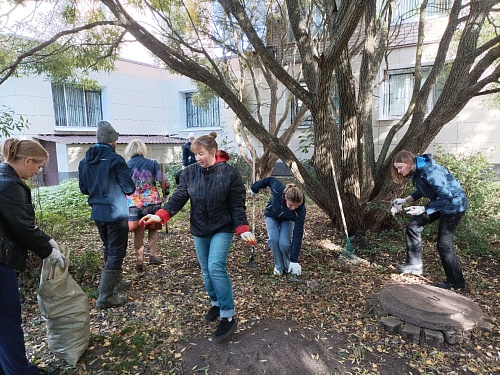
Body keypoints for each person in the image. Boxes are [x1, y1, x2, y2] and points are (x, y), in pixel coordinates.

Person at [140, 132, 256, 341]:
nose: (197, 158)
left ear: (213, 152)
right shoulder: (189, 174)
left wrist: (242, 228)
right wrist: (159, 216)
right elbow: (177, 198)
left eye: (201, 154)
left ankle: (228, 316)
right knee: (205, 270)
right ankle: (216, 303)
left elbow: (237, 205)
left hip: (223, 226)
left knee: (215, 266)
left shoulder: (230, 174)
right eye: (195, 154)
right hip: (199, 228)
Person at [0, 138, 65, 375]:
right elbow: (23, 227)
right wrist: (49, 251)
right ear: (27, 161)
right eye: (38, 167)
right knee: (8, 322)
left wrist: (46, 239)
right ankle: (19, 371)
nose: (38, 172)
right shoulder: (9, 185)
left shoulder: (2, 177)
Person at [391, 150, 468, 291]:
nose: (399, 171)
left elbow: (447, 197)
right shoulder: (416, 171)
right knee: (413, 227)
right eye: (397, 168)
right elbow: (422, 190)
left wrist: (423, 208)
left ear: (408, 163)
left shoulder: (431, 172)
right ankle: (414, 265)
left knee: (444, 245)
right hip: (438, 203)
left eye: (400, 167)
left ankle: (457, 283)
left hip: (454, 206)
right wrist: (404, 200)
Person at [78, 121, 136, 308]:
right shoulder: (116, 159)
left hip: (97, 211)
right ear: (113, 140)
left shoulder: (85, 161)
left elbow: (84, 189)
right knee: (117, 251)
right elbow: (129, 187)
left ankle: (114, 284)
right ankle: (106, 297)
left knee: (108, 248)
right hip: (116, 212)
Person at [124, 139, 167, 273]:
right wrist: (166, 193)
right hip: (153, 201)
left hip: (134, 203)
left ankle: (139, 262)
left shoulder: (126, 165)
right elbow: (163, 181)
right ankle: (153, 256)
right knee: (153, 229)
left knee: (138, 232)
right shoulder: (153, 163)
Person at [250, 177, 306, 276]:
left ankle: (289, 265)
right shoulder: (279, 189)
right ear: (285, 198)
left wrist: (295, 260)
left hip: (288, 220)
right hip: (272, 215)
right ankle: (279, 266)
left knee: (284, 243)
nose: (293, 208)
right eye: (291, 205)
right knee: (273, 240)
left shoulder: (300, 210)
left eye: (296, 206)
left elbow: (298, 234)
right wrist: (255, 188)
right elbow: (269, 180)